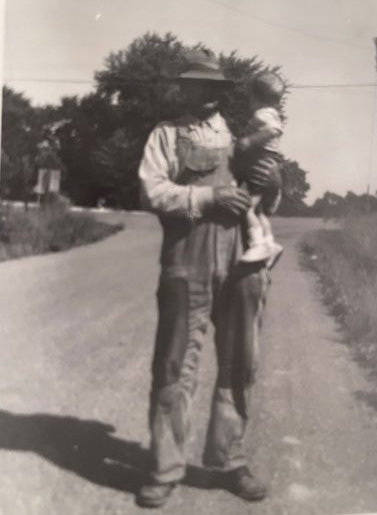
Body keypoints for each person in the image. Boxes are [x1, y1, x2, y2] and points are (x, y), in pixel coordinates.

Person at [137, 49, 280, 508]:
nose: (209, 95)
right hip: (186, 261)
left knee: (240, 362)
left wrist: (271, 179)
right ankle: (165, 468)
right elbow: (152, 190)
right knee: (174, 368)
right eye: (199, 86)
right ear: (185, 88)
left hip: (242, 260)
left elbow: (264, 202)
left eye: (216, 88)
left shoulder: (242, 137)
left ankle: (230, 460)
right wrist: (207, 196)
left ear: (223, 92)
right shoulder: (166, 135)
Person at [236, 71, 286, 266]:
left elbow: (274, 130)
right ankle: (270, 243)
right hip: (270, 169)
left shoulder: (262, 114)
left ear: (256, 97)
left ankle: (258, 245)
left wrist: (250, 140)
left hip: (261, 168)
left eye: (250, 97)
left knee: (247, 208)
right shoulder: (272, 113)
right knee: (259, 211)